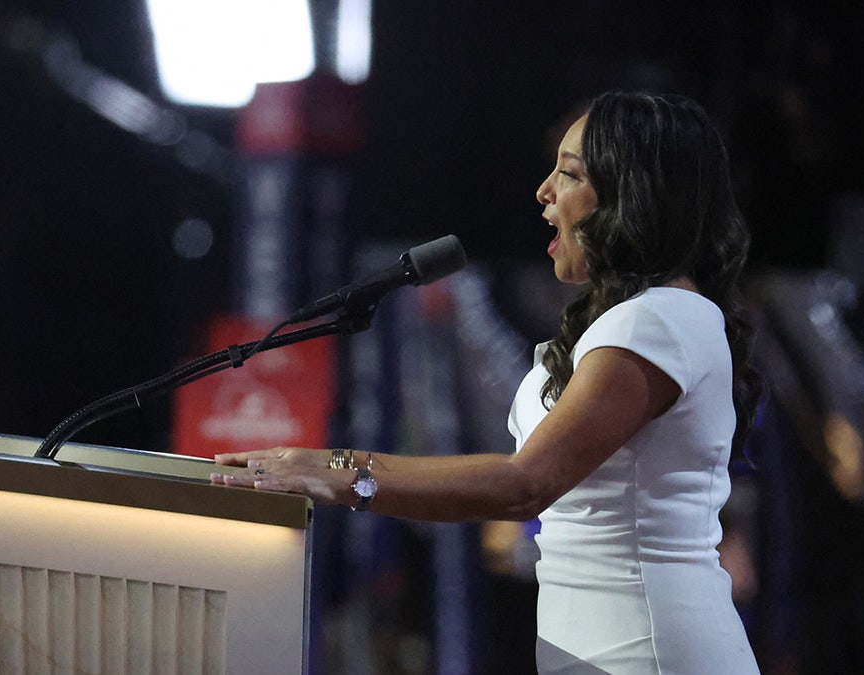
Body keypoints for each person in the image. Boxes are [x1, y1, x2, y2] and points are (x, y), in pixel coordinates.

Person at [212, 91, 762, 674]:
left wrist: (341, 470)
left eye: (569, 174)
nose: (543, 192)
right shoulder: (632, 322)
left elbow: (526, 483)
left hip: (650, 652)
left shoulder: (658, 319)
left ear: (631, 197)